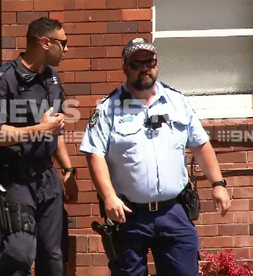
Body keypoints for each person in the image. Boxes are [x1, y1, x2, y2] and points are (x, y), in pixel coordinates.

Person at [79, 37, 232, 276]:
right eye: (136, 63)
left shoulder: (176, 101)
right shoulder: (108, 108)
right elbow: (94, 154)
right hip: (128, 215)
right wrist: (108, 197)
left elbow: (200, 144)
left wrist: (218, 184)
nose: (144, 69)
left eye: (149, 62)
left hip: (173, 212)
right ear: (125, 66)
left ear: (157, 64)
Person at [0, 17, 78, 276]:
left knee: (54, 257)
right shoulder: (2, 81)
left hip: (47, 178)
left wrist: (68, 171)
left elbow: (57, 130)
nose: (66, 49)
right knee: (19, 255)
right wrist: (38, 130)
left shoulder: (51, 78)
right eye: (63, 43)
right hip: (15, 179)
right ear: (45, 42)